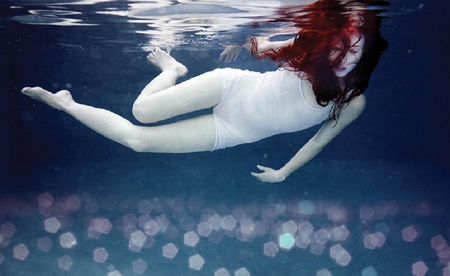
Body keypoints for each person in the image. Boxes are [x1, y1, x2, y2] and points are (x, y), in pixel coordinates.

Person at [21, 0, 388, 183]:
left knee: (138, 141)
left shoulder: (353, 101)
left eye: (355, 51)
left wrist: (284, 173)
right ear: (329, 44)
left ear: (367, 54)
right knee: (141, 112)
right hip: (231, 86)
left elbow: (320, 140)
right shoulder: (310, 52)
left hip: (234, 132)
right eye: (340, 47)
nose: (345, 57)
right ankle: (173, 69)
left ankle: (67, 104)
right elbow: (269, 45)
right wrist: (245, 45)